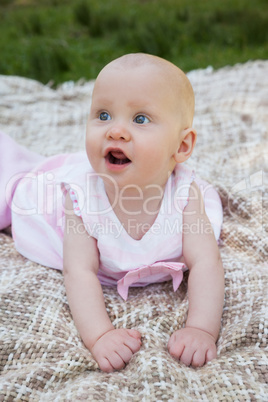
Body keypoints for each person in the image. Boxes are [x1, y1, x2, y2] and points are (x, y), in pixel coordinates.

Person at [0, 53, 224, 373]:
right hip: (43, 202)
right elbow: (79, 271)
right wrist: (100, 335)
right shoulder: (79, 199)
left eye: (140, 119)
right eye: (103, 115)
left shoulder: (187, 196)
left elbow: (206, 263)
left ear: (182, 146)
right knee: (11, 192)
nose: (115, 131)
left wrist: (202, 329)